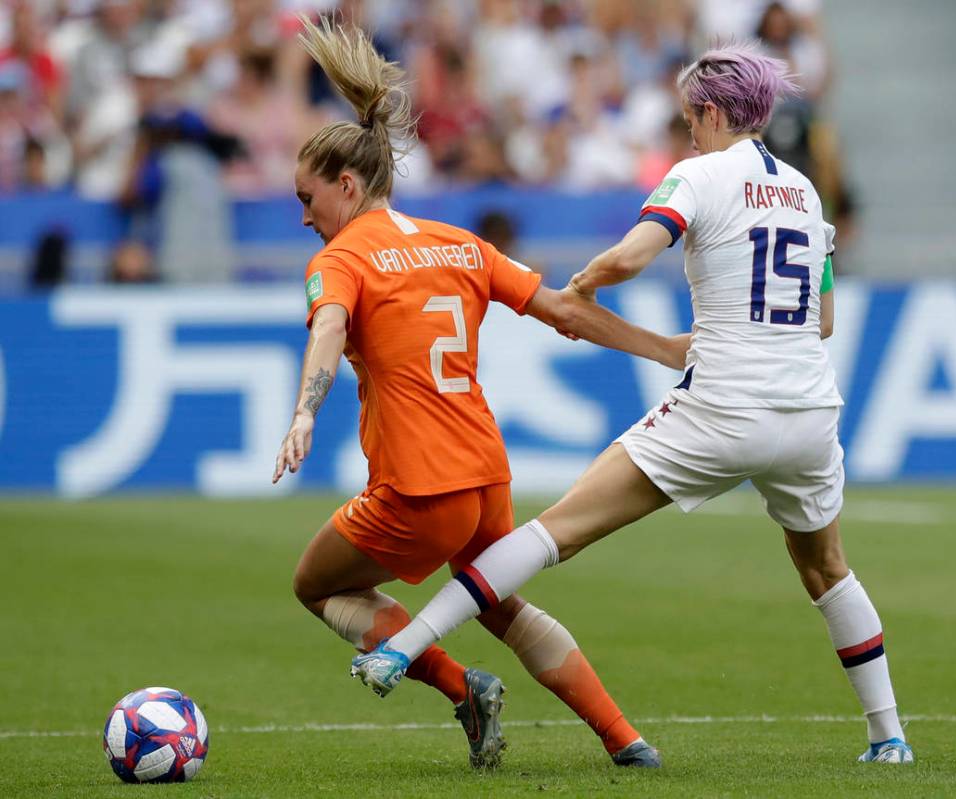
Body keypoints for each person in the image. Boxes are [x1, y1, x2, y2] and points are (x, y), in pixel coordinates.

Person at [352, 43, 913, 767]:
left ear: (711, 111)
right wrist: (686, 337)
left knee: (557, 530)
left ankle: (403, 646)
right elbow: (823, 318)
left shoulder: (698, 174)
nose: (686, 133)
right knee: (826, 567)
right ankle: (887, 734)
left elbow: (631, 255)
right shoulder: (804, 192)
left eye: (689, 119)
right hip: (806, 412)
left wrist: (586, 281)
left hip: (721, 409)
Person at [271, 16, 689, 771]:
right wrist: (662, 348)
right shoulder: (459, 243)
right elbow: (565, 310)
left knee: (313, 583)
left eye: (308, 197)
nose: (304, 216)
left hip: (417, 486)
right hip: (484, 469)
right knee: (499, 602)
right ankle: (624, 738)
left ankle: (463, 688)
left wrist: (304, 410)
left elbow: (328, 326)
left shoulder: (342, 257)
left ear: (346, 183)